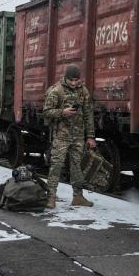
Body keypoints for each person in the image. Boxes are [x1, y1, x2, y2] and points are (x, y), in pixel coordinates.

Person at [43, 65, 97, 208]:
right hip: (61, 136)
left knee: (77, 167)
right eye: (71, 80)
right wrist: (62, 112)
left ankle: (78, 197)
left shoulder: (83, 91)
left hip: (78, 136)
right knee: (56, 166)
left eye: (76, 80)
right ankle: (51, 197)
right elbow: (46, 112)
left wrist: (90, 136)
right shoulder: (57, 91)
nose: (73, 83)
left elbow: (88, 114)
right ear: (65, 78)